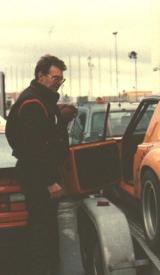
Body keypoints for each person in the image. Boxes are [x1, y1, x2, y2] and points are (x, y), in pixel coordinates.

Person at [6, 55, 76, 275]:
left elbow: (46, 132)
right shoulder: (32, 104)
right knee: (42, 233)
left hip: (39, 176)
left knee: (44, 230)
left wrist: (60, 116)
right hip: (39, 180)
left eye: (61, 80)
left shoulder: (42, 100)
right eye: (55, 78)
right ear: (41, 76)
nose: (58, 83)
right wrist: (50, 182)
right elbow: (33, 149)